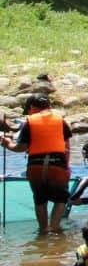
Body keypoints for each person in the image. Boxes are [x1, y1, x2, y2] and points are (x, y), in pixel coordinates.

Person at [0, 93, 71, 233]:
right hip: (57, 166)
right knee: (61, 198)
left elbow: (21, 148)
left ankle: (43, 230)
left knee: (40, 199)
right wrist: (66, 167)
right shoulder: (60, 120)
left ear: (32, 107)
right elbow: (67, 148)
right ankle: (55, 226)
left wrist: (8, 144)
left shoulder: (30, 122)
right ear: (49, 106)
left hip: (35, 167)